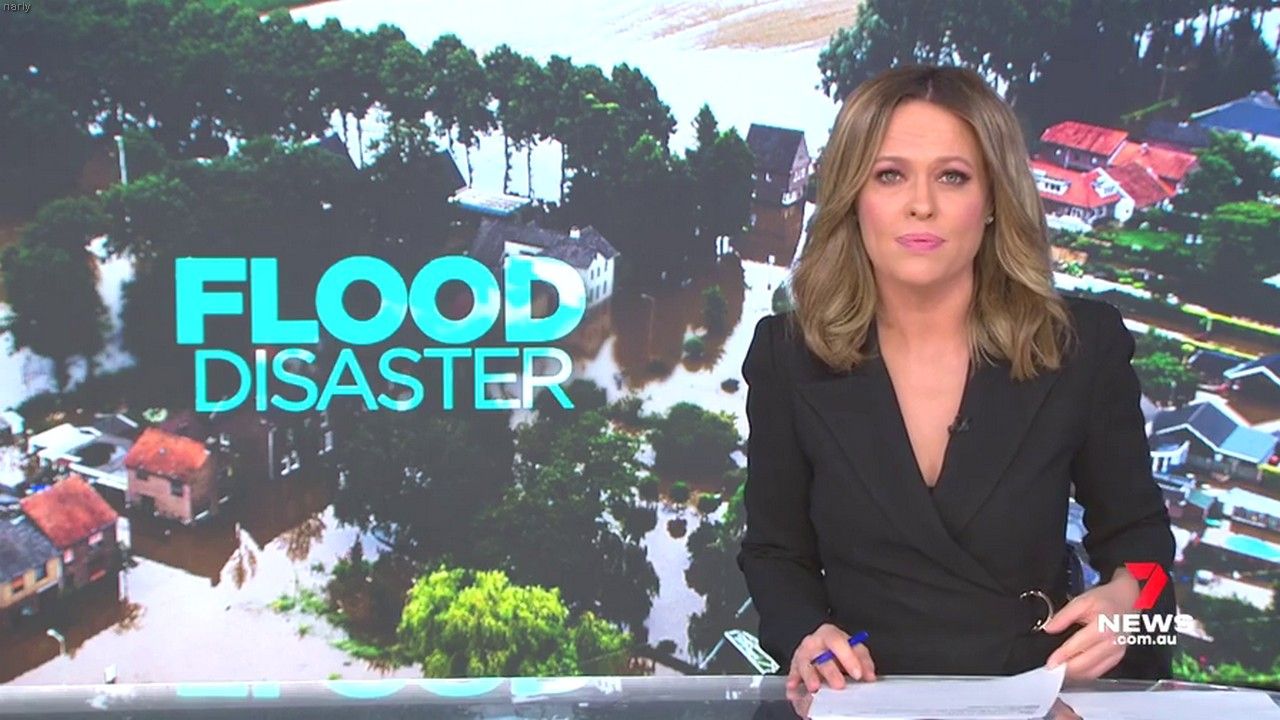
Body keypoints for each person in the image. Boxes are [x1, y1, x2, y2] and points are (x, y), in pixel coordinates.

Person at [736, 65, 1176, 695]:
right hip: (864, 698)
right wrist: (804, 634)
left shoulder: (1080, 346)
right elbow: (774, 554)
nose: (922, 203)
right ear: (853, 197)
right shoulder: (789, 357)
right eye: (890, 175)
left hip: (1037, 693)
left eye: (952, 176)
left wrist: (1132, 608)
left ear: (993, 200)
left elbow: (1146, 546)